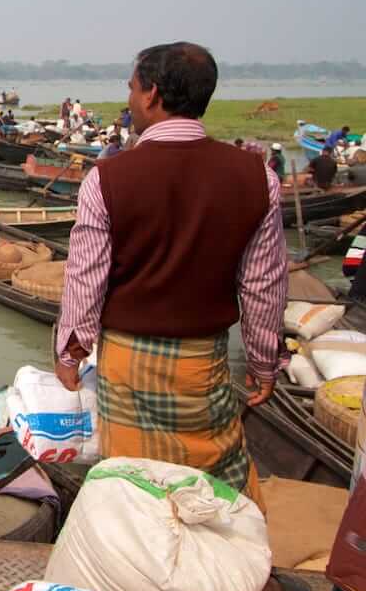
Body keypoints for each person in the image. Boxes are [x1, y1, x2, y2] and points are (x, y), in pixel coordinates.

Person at [56, 42, 287, 511]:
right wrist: (264, 362)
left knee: (132, 487)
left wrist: (70, 350)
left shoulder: (106, 179)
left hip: (124, 365)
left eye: (132, 87)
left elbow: (86, 281)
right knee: (215, 483)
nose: (129, 97)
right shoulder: (256, 176)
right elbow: (263, 288)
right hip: (203, 364)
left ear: (152, 94)